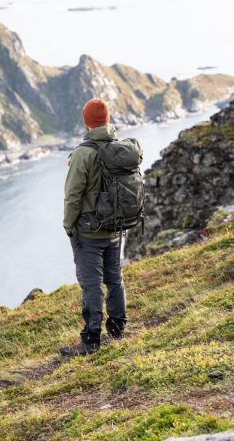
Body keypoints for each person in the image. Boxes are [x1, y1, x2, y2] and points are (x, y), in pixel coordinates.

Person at [60, 98, 128, 357]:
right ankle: (118, 331)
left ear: (86, 121)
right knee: (115, 279)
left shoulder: (82, 153)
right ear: (107, 119)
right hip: (115, 227)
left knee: (91, 285)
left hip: (89, 231)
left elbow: (73, 196)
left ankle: (90, 341)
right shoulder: (120, 148)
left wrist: (69, 226)